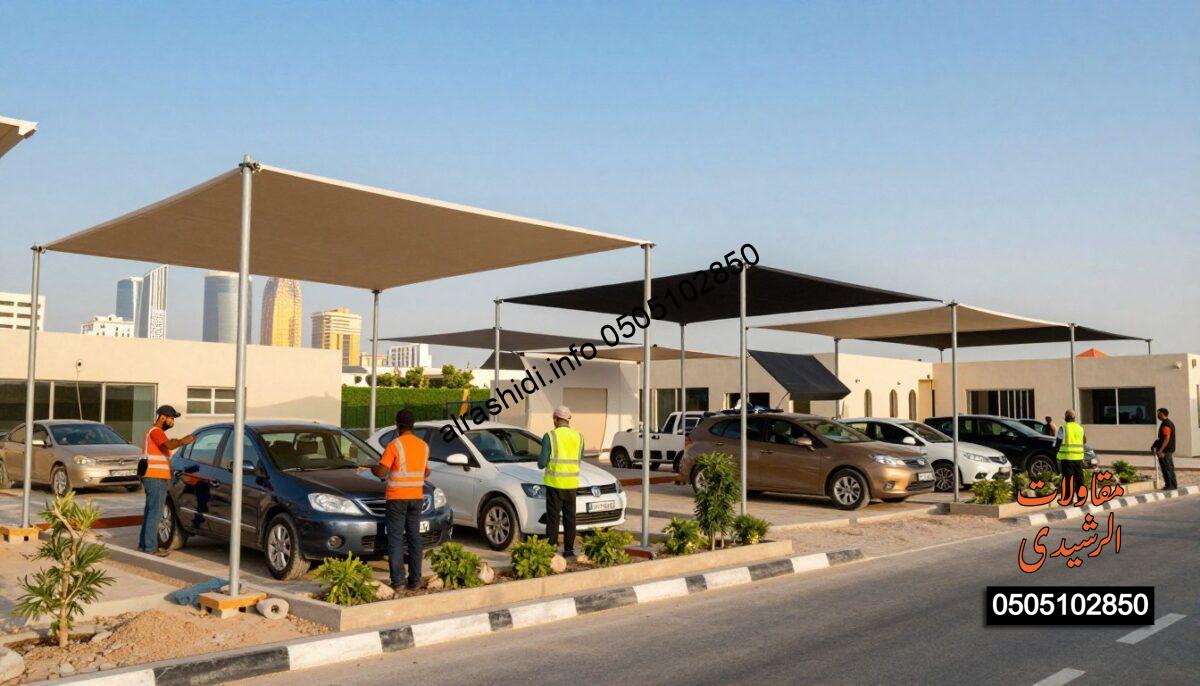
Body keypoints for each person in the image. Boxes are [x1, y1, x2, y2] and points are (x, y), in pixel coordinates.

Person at [369, 409, 429, 592]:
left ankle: (399, 582)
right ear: (413, 425)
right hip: (416, 498)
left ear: (397, 425)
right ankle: (415, 581)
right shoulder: (423, 446)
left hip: (397, 498)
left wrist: (373, 468)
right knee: (414, 539)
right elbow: (426, 471)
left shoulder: (394, 445)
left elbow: (381, 471)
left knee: (395, 540)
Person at [138, 405, 195, 556]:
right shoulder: (156, 432)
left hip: (154, 476)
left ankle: (144, 544)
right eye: (171, 418)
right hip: (155, 477)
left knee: (151, 511)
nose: (172, 422)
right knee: (155, 512)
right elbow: (168, 445)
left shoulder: (153, 432)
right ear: (162, 417)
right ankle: (150, 548)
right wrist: (184, 441)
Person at [538, 405, 584, 556]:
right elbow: (579, 459)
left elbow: (542, 463)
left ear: (556, 419)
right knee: (570, 518)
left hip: (554, 484)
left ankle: (551, 550)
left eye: (554, 419)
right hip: (572, 485)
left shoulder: (550, 436)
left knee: (553, 518)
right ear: (568, 419)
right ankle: (569, 550)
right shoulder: (579, 437)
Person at [1054, 410, 1086, 496]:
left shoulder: (1063, 428)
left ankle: (1069, 498)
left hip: (1067, 458)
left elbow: (1058, 441)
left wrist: (1055, 453)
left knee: (1068, 479)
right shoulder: (1080, 428)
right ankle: (1081, 497)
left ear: (1065, 418)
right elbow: (1084, 441)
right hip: (1078, 457)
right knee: (1079, 478)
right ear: (1074, 418)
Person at [1152, 408, 1177, 490]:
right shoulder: (1166, 423)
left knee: (1167, 468)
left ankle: (1170, 485)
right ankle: (1172, 485)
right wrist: (1154, 445)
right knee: (1169, 467)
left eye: (1158, 414)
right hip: (1166, 450)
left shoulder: (1166, 424)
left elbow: (1166, 438)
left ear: (1162, 414)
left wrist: (1161, 450)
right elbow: (1161, 438)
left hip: (1165, 451)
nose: (1157, 415)